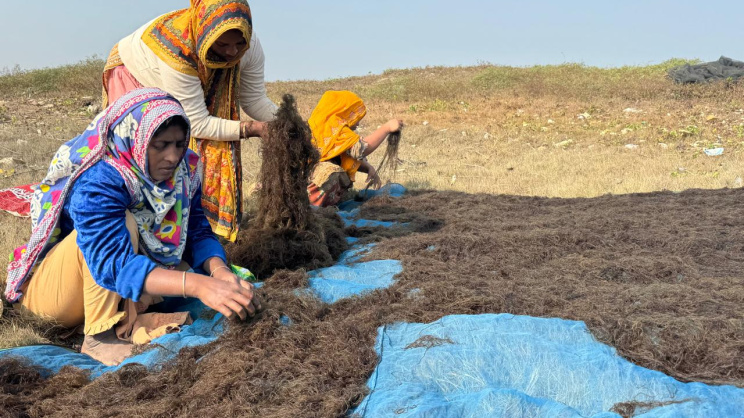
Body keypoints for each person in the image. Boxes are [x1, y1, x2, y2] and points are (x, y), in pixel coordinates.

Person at [4, 88, 261, 366]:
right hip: (57, 298)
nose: (172, 156)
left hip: (115, 286)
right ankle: (99, 337)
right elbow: (112, 264)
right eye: (160, 145)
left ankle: (127, 318)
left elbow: (197, 231)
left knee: (189, 262)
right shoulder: (100, 181)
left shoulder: (183, 172)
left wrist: (220, 272)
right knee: (128, 226)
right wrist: (200, 286)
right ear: (135, 140)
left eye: (179, 144)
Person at [102, 0, 277, 241]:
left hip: (185, 76)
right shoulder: (179, 51)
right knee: (150, 157)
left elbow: (254, 99)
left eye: (239, 44)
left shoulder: (250, 46)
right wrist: (252, 129)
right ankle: (147, 233)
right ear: (206, 34)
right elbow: (197, 123)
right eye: (223, 44)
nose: (232, 52)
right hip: (138, 73)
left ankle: (200, 227)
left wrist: (287, 122)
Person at [307, 90, 403, 207]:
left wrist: (368, 167)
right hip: (305, 183)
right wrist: (386, 128)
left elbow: (344, 155)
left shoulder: (324, 126)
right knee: (330, 173)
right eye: (353, 115)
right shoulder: (332, 127)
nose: (357, 123)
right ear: (342, 112)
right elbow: (362, 149)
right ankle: (313, 207)